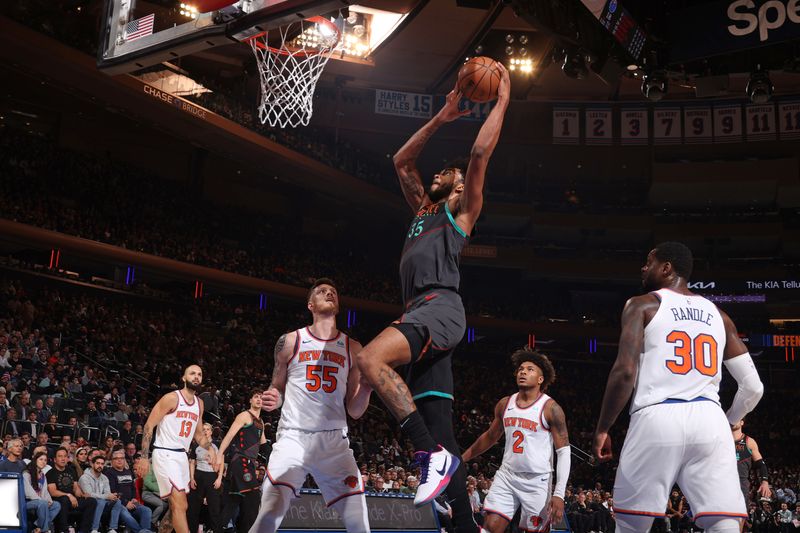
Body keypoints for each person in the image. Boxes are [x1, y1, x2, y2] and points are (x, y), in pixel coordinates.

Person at [355, 67, 511, 529]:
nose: (444, 172)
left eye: (452, 173)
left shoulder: (461, 213)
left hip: (439, 308)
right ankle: (464, 524)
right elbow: (401, 161)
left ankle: (429, 457)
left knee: (369, 360)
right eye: (444, 172)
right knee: (443, 429)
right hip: (420, 314)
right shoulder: (422, 208)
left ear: (461, 189)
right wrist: (443, 116)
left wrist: (501, 99)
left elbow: (481, 152)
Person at [593, 242, 765, 533]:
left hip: (657, 416)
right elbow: (753, 387)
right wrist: (729, 421)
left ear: (667, 267)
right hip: (710, 421)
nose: (643, 268)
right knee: (722, 523)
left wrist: (602, 428)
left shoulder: (643, 304)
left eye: (649, 261)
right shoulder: (720, 315)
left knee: (632, 524)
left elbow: (624, 372)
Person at [249, 278, 373, 533]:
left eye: (333, 292)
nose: (329, 293)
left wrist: (369, 387)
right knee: (269, 515)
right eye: (322, 291)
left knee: (359, 522)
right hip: (293, 437)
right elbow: (278, 388)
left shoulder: (353, 348)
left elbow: (355, 410)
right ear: (310, 305)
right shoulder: (290, 341)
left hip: (334, 443)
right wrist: (275, 397)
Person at [461, 349, 570, 533]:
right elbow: (490, 436)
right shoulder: (505, 403)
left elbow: (564, 452)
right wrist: (462, 458)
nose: (523, 372)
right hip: (507, 476)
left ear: (540, 379)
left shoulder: (551, 408)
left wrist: (559, 494)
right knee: (490, 527)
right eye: (520, 369)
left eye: (530, 369)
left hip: (537, 481)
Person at [137, 365, 213, 533]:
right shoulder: (172, 398)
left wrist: (212, 450)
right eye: (192, 373)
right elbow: (149, 425)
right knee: (180, 504)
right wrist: (144, 456)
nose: (196, 377)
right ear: (184, 378)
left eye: (199, 374)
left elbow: (199, 435)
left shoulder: (199, 404)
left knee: (175, 509)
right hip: (165, 452)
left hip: (181, 457)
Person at [215, 390, 264, 533]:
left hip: (248, 463)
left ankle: (215, 529)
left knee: (233, 502)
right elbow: (229, 436)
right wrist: (219, 455)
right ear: (250, 400)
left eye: (261, 398)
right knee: (253, 498)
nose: (259, 399)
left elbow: (263, 444)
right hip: (240, 461)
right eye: (256, 397)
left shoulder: (260, 422)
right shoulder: (244, 416)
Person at [47, 447, 98, 533]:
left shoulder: (71, 470)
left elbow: (75, 488)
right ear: (55, 460)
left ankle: (83, 531)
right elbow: (53, 492)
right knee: (64, 499)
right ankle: (63, 530)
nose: (63, 459)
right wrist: (69, 495)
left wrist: (82, 495)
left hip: (72, 500)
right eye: (60, 456)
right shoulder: (51, 473)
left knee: (91, 501)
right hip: (59, 500)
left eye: (65, 456)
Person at [106, 447, 153, 533]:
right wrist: (125, 503)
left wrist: (134, 498)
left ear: (125, 460)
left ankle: (144, 531)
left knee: (146, 510)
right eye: (116, 459)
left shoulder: (128, 472)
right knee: (126, 515)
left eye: (122, 458)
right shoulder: (109, 473)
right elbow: (112, 491)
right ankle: (142, 532)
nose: (119, 460)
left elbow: (133, 488)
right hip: (118, 504)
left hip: (132, 502)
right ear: (112, 461)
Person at [188, 423, 222, 533]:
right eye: (203, 429)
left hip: (212, 476)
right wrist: (192, 478)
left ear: (211, 432)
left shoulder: (217, 444)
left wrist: (219, 478)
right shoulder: (196, 444)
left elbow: (221, 463)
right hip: (198, 475)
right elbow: (192, 462)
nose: (206, 431)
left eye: (208, 429)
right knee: (194, 508)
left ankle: (215, 530)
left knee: (214, 509)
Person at [733, 419, 772, 513]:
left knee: (741, 513)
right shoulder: (721, 439)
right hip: (723, 481)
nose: (733, 420)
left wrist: (765, 482)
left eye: (737, 418)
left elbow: (761, 464)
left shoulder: (749, 441)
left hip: (741, 482)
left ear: (742, 422)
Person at [24, 450, 62, 533]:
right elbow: (28, 492)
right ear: (35, 460)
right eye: (41, 459)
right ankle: (44, 530)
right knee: (43, 503)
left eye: (45, 460)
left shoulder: (42, 475)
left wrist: (49, 501)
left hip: (40, 502)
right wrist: (42, 501)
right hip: (27, 502)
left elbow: (45, 491)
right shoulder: (27, 474)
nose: (43, 462)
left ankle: (38, 527)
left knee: (56, 505)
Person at [78, 455, 118, 533]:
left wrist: (111, 496)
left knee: (117, 501)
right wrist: (106, 496)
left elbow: (107, 492)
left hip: (102, 502)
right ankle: (94, 529)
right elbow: (89, 494)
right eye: (98, 463)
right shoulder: (84, 477)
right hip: (89, 503)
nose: (100, 466)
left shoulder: (105, 478)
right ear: (92, 464)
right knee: (101, 501)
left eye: (102, 464)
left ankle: (112, 528)